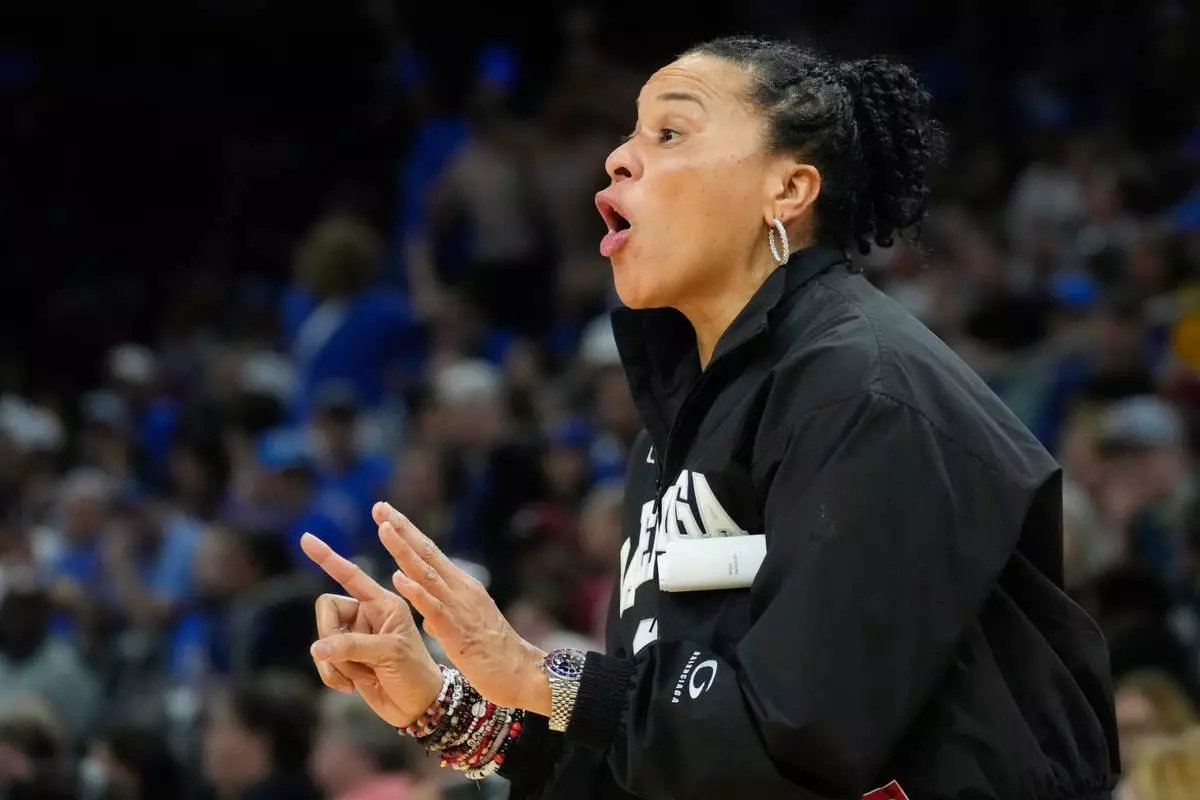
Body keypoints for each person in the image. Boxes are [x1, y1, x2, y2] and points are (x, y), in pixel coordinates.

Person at [302, 36, 1119, 799]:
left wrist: (534, 673)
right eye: (631, 133)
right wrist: (444, 703)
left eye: (669, 132)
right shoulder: (678, 429)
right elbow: (665, 758)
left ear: (788, 190)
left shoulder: (865, 391)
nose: (619, 156)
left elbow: (800, 734)